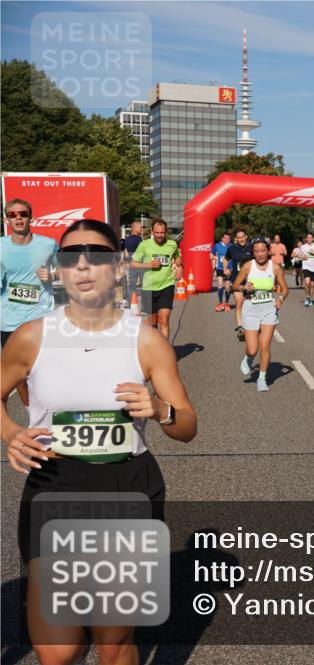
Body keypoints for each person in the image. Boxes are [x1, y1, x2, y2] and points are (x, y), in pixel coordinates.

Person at [2, 218, 196, 665]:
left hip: (126, 486)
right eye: (71, 256)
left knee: (113, 642)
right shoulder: (31, 338)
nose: (84, 265)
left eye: (97, 254)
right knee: (58, 649)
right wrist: (12, 433)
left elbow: (186, 426)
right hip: (53, 483)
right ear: (58, 269)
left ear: (119, 266)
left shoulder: (145, 341)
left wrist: (161, 410)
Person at [1, 199, 57, 407]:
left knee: (43, 371)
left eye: (22, 214)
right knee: (19, 376)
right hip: (9, 321)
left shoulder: (49, 244)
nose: (18, 218)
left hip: (41, 318)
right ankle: (33, 413)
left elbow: (66, 269)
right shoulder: (1, 247)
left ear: (30, 217)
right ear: (6, 219)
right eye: (13, 215)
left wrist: (53, 274)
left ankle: (50, 409)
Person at [233, 237, 289, 392]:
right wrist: (244, 288)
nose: (260, 254)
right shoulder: (248, 266)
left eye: (263, 251)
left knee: (265, 346)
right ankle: (249, 358)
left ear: (268, 251)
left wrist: (281, 299)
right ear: (253, 252)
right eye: (256, 251)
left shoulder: (275, 267)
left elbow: (285, 288)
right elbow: (235, 286)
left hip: (269, 309)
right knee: (252, 349)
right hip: (250, 309)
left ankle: (262, 379)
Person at [130, 219, 181, 339]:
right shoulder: (144, 245)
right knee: (153, 323)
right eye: (157, 233)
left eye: (162, 232)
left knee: (164, 319)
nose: (160, 235)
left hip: (166, 285)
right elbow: (133, 264)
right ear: (152, 232)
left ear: (166, 232)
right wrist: (148, 265)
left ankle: (164, 351)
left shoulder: (172, 244)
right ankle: (155, 347)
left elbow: (177, 258)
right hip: (149, 288)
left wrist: (180, 267)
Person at [225, 229, 253, 340]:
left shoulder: (251, 247)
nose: (241, 239)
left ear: (246, 236)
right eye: (239, 237)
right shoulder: (232, 248)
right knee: (239, 303)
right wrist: (226, 269)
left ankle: (250, 324)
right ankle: (241, 327)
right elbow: (226, 259)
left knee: (250, 303)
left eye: (243, 236)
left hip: (250, 279)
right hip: (236, 279)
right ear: (236, 238)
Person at [122, 220, 144, 304]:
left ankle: (130, 302)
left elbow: (125, 253)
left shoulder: (127, 240)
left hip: (131, 264)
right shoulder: (139, 240)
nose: (141, 229)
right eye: (140, 227)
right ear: (135, 228)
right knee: (144, 284)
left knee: (132, 285)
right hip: (140, 264)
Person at [211, 231, 233, 312]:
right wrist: (212, 258)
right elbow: (212, 253)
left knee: (227, 286)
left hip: (229, 269)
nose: (227, 240)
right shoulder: (217, 245)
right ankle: (220, 303)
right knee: (220, 284)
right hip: (220, 268)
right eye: (225, 238)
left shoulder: (232, 246)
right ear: (222, 238)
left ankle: (226, 303)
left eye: (228, 238)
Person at [300, 233, 314, 307]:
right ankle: (307, 297)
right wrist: (302, 257)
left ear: (313, 239)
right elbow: (297, 255)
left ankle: (310, 299)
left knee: (312, 285)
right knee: (307, 282)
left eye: (310, 237)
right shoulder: (303, 247)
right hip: (306, 266)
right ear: (306, 239)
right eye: (308, 237)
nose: (309, 239)